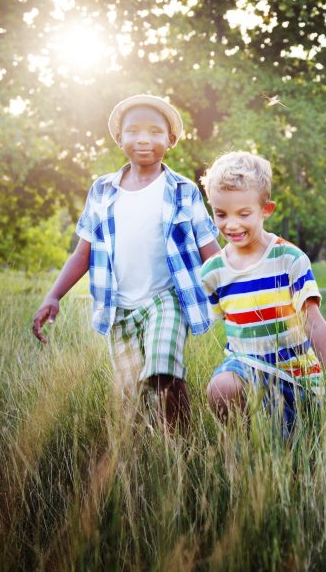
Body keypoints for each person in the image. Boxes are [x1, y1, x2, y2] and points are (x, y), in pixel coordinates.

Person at [32, 94, 220, 432]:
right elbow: (82, 254)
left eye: (154, 132)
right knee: (128, 397)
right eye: (133, 131)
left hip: (168, 299)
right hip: (118, 307)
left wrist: (236, 291)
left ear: (171, 140)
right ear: (120, 139)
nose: (143, 139)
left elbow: (211, 250)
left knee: (164, 370)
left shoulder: (183, 190)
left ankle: (181, 445)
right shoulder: (102, 191)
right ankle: (138, 454)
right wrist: (53, 296)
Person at [199, 151, 326, 435]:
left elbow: (313, 322)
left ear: (266, 209)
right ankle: (237, 453)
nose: (231, 224)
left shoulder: (289, 259)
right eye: (221, 214)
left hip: (293, 378)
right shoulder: (213, 272)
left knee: (286, 450)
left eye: (243, 214)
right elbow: (203, 323)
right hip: (244, 366)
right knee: (222, 387)